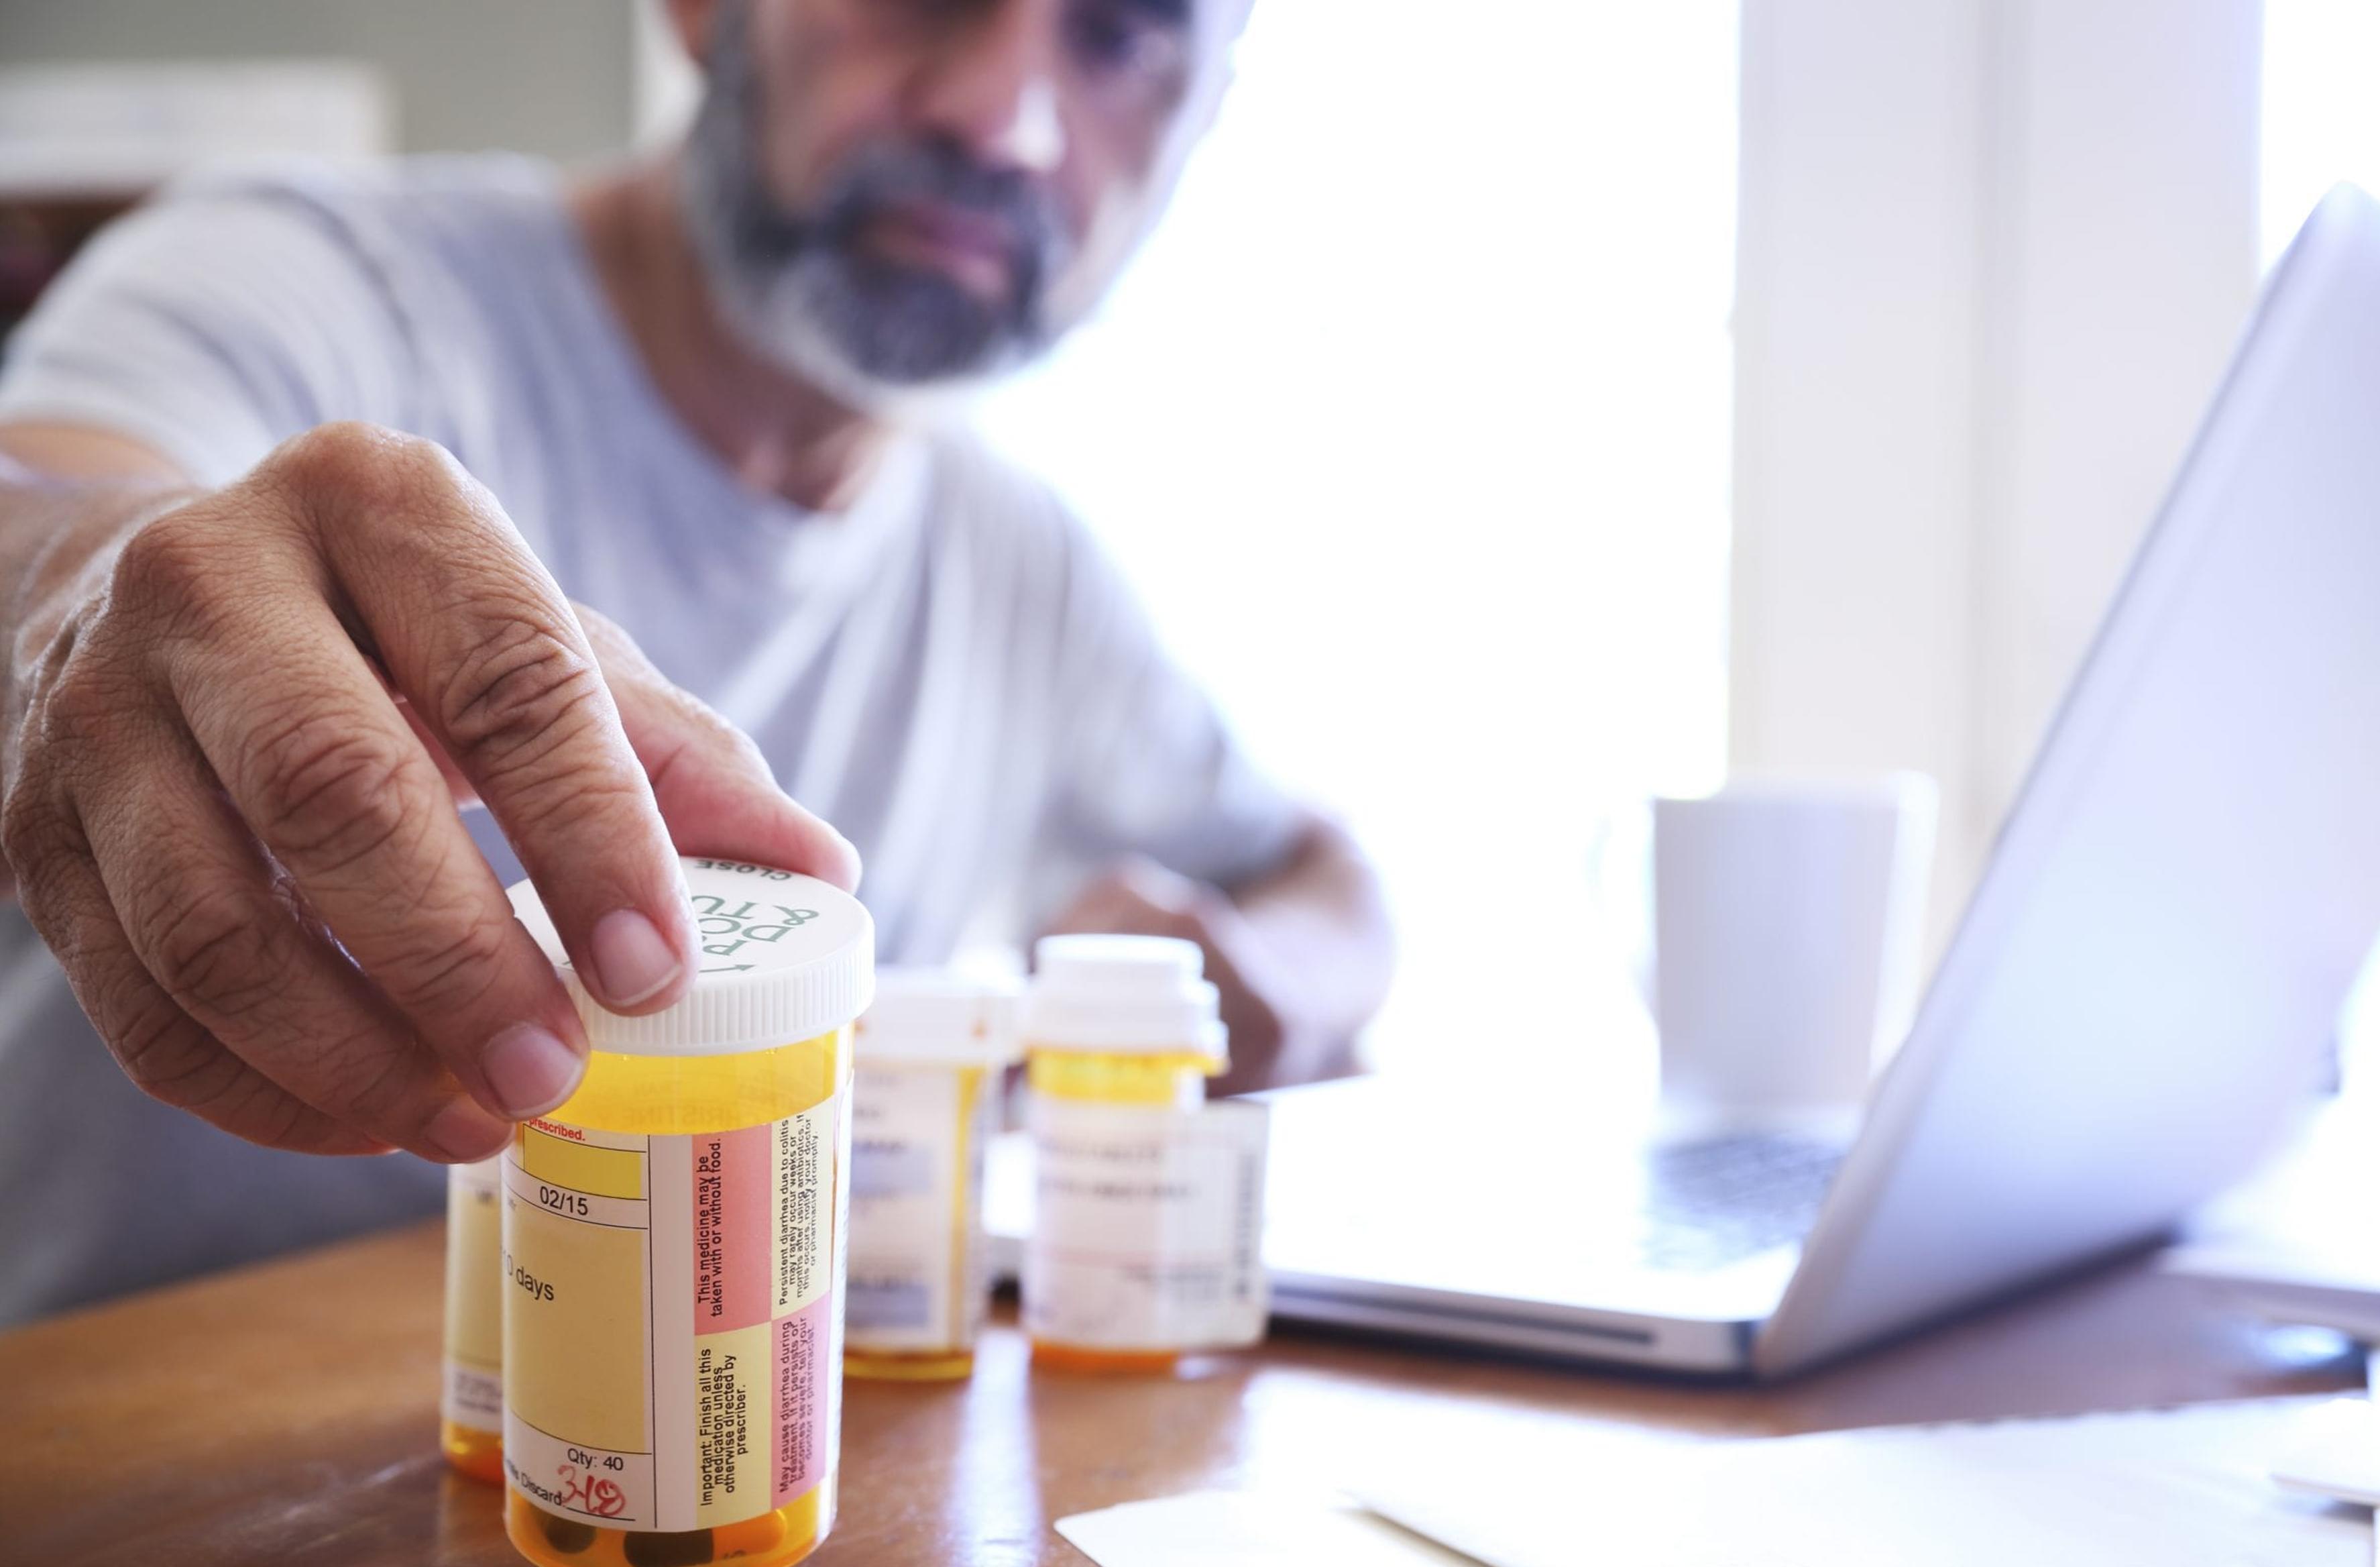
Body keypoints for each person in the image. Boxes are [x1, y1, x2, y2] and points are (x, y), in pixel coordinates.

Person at [0, 0, 1391, 1323]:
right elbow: (46, 517)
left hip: (692, 1499)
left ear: (1204, 120)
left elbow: (1328, 880)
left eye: (1129, 35)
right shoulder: (304, 280)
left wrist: (1250, 986)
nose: (1003, 119)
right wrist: (83, 598)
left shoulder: (1027, 568)